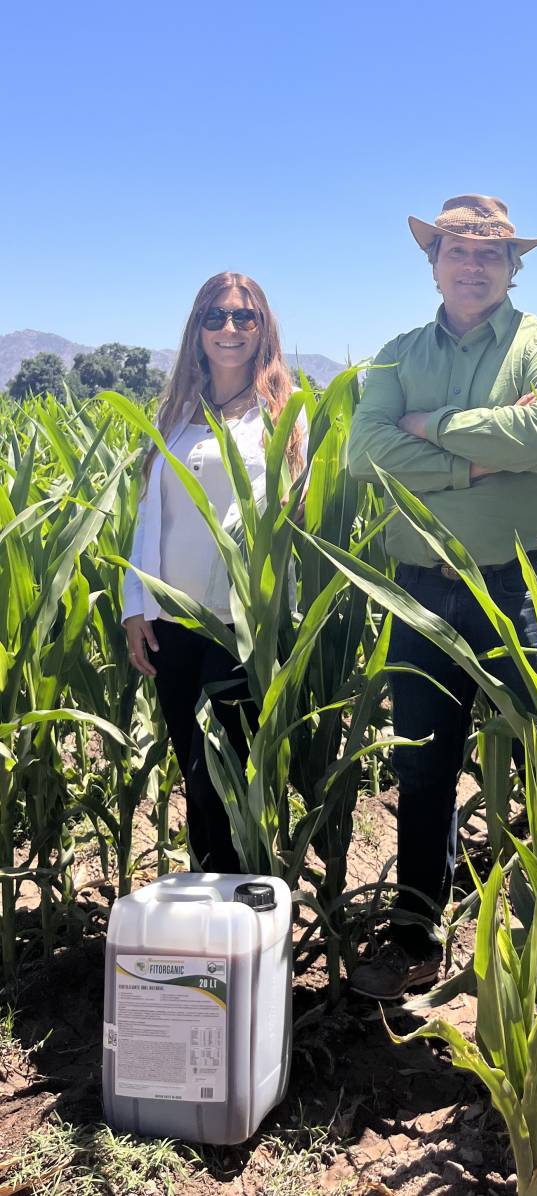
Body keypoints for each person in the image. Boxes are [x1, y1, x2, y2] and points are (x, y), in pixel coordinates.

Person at [347, 195, 537, 1000]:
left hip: (522, 584)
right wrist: (474, 460)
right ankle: (417, 933)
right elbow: (364, 451)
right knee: (422, 768)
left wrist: (428, 425)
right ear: (434, 262)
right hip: (417, 590)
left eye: (490, 254)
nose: (473, 266)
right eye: (458, 251)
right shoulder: (395, 354)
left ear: (513, 267)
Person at [123, 272, 306, 874]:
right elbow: (149, 516)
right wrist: (134, 606)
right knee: (192, 767)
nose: (230, 329)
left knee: (225, 773)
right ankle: (211, 894)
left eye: (244, 317)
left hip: (240, 625)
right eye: (216, 317)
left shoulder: (285, 412)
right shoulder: (174, 411)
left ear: (263, 329)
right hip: (172, 619)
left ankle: (243, 894)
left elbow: (298, 516)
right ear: (197, 330)